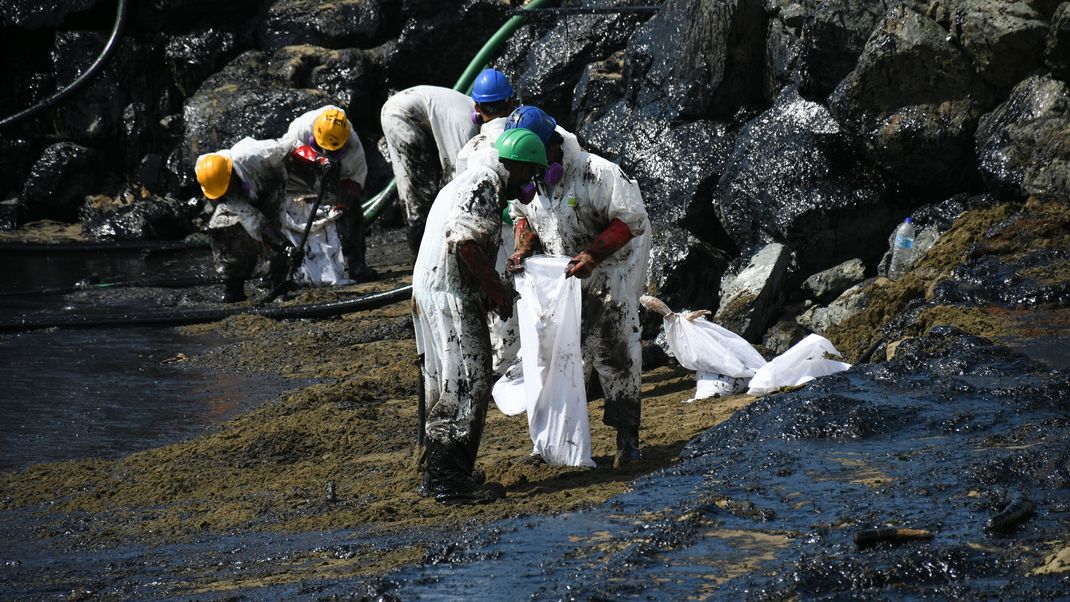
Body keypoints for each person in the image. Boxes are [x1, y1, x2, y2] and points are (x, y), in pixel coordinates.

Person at [506, 110, 651, 469]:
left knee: (616, 353)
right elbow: (522, 215)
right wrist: (523, 248)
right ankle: (553, 440)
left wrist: (592, 254)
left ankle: (627, 441)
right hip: (561, 278)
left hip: (609, 272)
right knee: (555, 358)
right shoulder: (533, 179)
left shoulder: (597, 173)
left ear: (553, 146)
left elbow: (631, 220)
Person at [412, 128, 547, 504]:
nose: (529, 184)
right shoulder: (485, 183)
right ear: (516, 166)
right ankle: (449, 484)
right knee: (468, 384)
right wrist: (494, 289)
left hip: (431, 291)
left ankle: (438, 472)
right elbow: (465, 242)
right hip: (450, 294)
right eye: (529, 174)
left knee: (442, 383)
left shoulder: (466, 179)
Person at [382, 68, 516, 257]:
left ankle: (426, 253)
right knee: (418, 194)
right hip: (402, 115)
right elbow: (457, 174)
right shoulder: (464, 125)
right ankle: (426, 258)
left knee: (423, 191)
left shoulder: (469, 112)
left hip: (406, 109)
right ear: (510, 103)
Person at [278, 105, 373, 282]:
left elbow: (354, 180)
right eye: (326, 149)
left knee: (352, 213)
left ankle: (356, 264)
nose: (329, 152)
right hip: (301, 168)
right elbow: (285, 150)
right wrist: (316, 160)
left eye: (333, 150)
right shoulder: (302, 128)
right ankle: (286, 267)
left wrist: (343, 204)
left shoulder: (352, 145)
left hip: (337, 173)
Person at [195, 136, 291, 303]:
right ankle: (233, 286)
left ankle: (274, 283)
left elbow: (290, 148)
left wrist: (284, 246)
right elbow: (255, 221)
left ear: (231, 172)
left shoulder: (260, 155)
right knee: (222, 228)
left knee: (275, 230)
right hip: (242, 192)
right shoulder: (206, 172)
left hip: (271, 182)